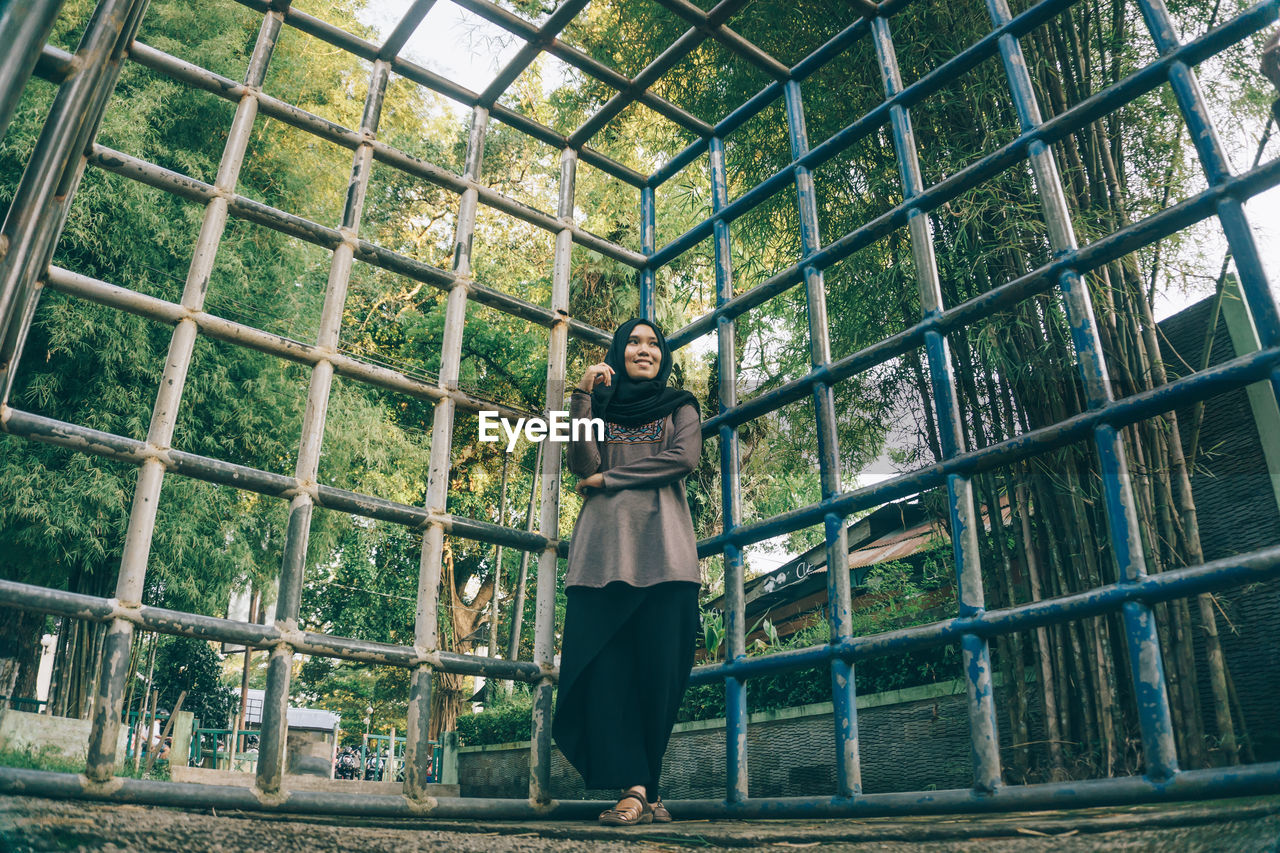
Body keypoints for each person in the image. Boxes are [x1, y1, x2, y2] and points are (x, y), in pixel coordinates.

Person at [551, 317, 704, 826]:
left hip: (667, 555)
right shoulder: (602, 407)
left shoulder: (680, 405)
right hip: (603, 557)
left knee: (661, 675)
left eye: (653, 343)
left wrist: (609, 478)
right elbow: (581, 462)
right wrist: (581, 397)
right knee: (605, 672)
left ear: (664, 355)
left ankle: (643, 789)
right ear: (619, 354)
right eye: (633, 343)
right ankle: (640, 790)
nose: (644, 350)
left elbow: (683, 458)